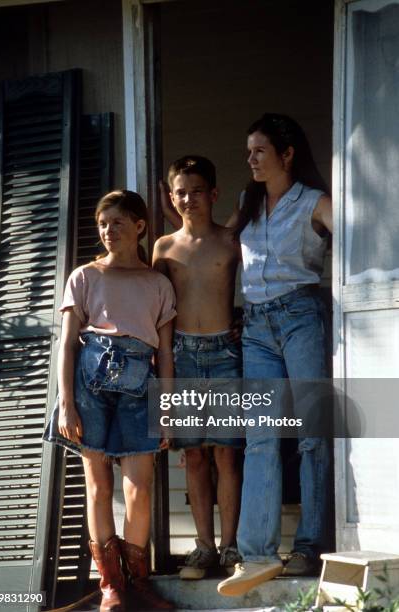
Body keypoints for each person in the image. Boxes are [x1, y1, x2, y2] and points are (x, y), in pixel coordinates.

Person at [216, 113, 333, 596]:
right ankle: (257, 554)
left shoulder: (316, 202)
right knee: (262, 438)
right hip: (257, 326)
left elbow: (368, 237)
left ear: (287, 154)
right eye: (249, 151)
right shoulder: (249, 202)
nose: (251, 159)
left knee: (311, 435)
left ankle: (310, 545)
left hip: (302, 316)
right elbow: (220, 245)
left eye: (260, 150)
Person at [43, 190, 176, 612]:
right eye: (102, 223)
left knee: (137, 490)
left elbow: (167, 354)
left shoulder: (157, 283)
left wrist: (166, 409)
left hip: (140, 388)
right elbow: (66, 345)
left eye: (117, 222)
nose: (108, 230)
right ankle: (111, 586)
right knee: (98, 487)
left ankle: (138, 582)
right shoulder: (84, 277)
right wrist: (66, 402)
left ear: (139, 227)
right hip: (89, 387)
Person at [153, 155, 243, 580]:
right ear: (172, 196)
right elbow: (157, 305)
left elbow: (259, 282)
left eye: (197, 191)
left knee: (226, 452)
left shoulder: (232, 239)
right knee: (193, 455)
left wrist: (247, 324)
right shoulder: (164, 247)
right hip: (184, 355)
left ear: (214, 194)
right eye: (181, 192)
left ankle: (230, 546)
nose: (189, 199)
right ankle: (203, 546)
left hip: (226, 352)